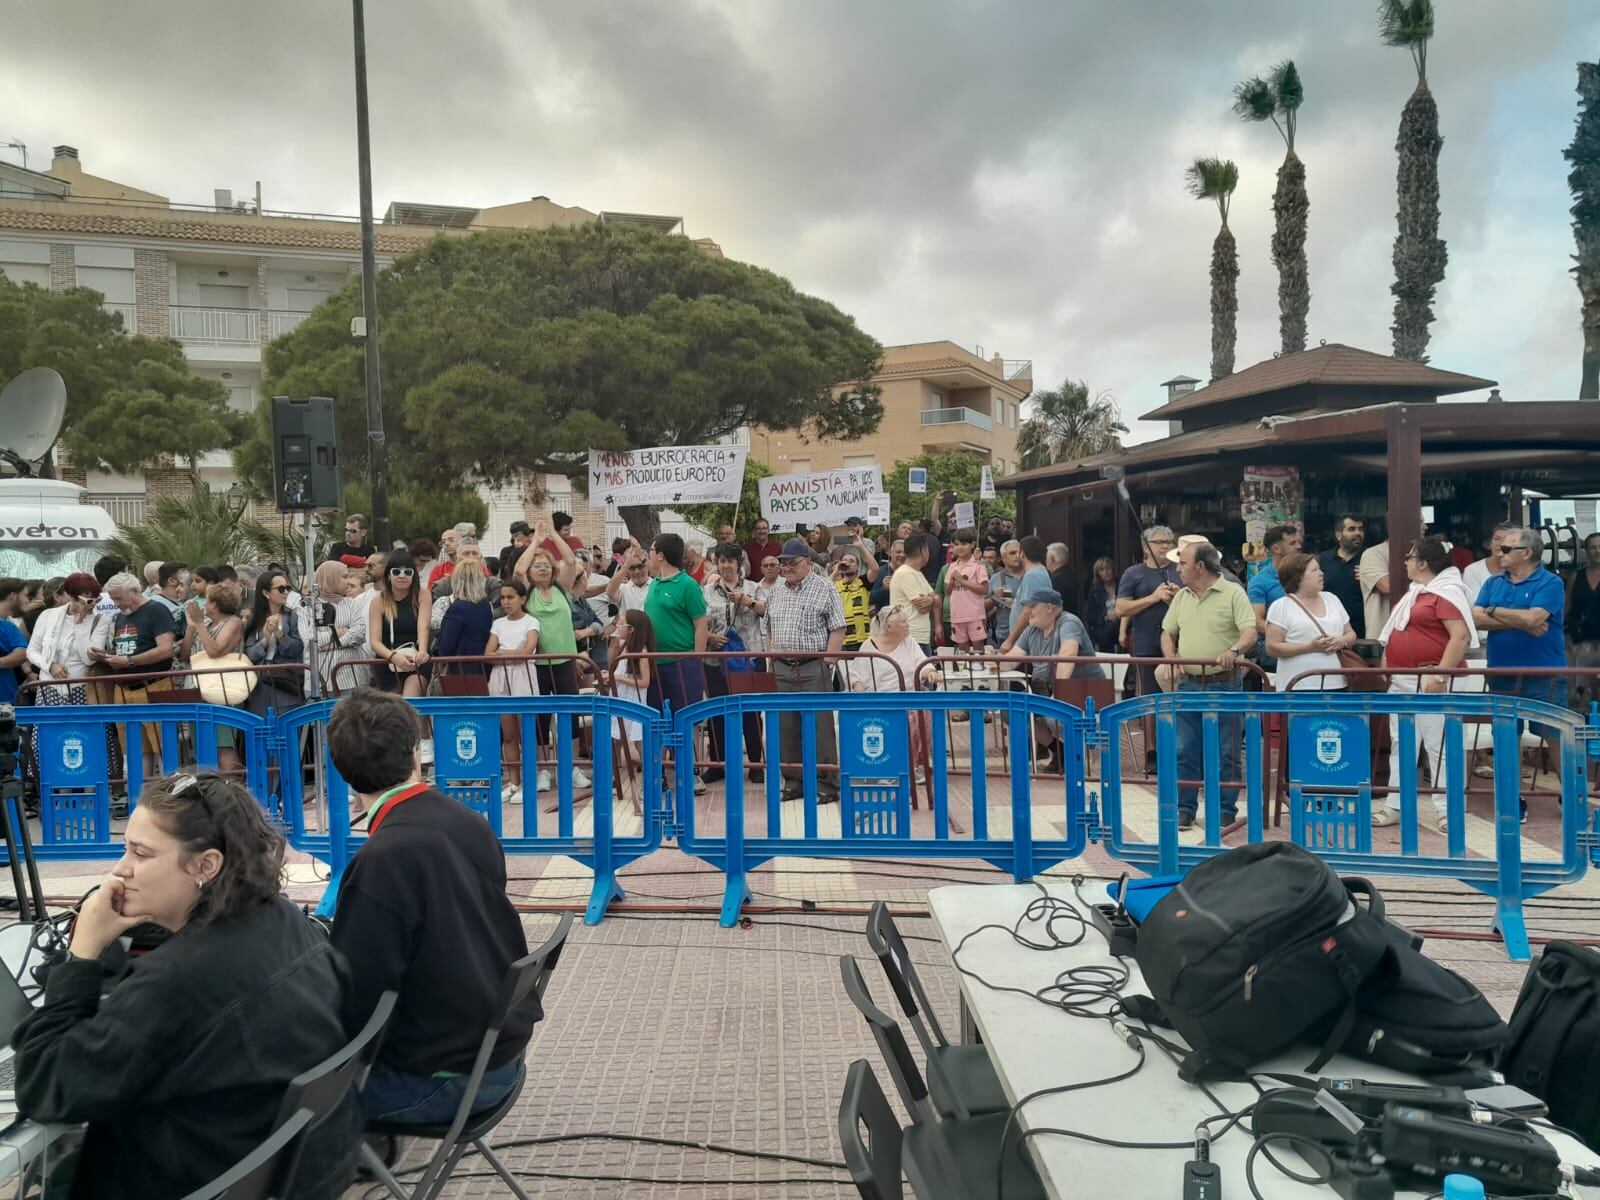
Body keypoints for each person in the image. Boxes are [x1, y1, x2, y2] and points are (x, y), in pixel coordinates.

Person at [14, 772, 357, 1199]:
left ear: (206, 865)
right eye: (126, 849)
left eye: (140, 853)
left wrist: (82, 953)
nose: (121, 870)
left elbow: (45, 1088)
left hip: (193, 1178)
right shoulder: (286, 920)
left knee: (60, 1174)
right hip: (283, 1173)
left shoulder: (176, 981)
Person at [326, 689, 534, 1126]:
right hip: (499, 1052)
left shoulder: (381, 861)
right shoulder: (467, 821)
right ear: (415, 753)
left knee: (274, 1103)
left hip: (447, 1079)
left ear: (344, 774)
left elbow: (356, 1001)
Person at [1377, 536, 1477, 830]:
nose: (1405, 562)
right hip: (1404, 678)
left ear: (1422, 563)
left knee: (1440, 745)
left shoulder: (1445, 593)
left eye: (1409, 556)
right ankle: (1395, 804)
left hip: (1433, 679)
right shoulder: (1418, 592)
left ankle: (1448, 809)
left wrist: (1441, 674)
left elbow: (1460, 636)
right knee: (1402, 744)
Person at [1160, 540, 1258, 831]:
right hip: (1189, 682)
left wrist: (1234, 650)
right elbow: (1167, 632)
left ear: (1200, 566)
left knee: (1227, 750)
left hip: (1224, 682)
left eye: (1182, 564)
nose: (1177, 569)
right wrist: (1172, 659)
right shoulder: (1182, 597)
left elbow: (1250, 632)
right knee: (1185, 749)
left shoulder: (1232, 592)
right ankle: (1184, 809)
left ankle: (1225, 809)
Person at [1473, 525, 1568, 807]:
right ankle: (1512, 799)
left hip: (1544, 674)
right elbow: (1476, 618)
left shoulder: (1550, 583)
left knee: (1555, 737)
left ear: (1526, 553)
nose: (1498, 552)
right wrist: (1516, 618)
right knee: (1505, 738)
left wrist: (1494, 611)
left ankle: (1572, 795)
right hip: (1502, 674)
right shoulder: (1493, 582)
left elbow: (1534, 619)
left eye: (1505, 548)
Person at [766, 538, 846, 803]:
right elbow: (767, 627)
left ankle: (827, 783)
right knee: (785, 726)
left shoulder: (825, 588)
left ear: (808, 563)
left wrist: (828, 662)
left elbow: (838, 627)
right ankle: (793, 782)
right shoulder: (776, 588)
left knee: (820, 726)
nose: (786, 567)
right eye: (783, 563)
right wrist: (771, 658)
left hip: (813, 665)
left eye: (793, 563)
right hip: (782, 666)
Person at [512, 538, 588, 793]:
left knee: (571, 715)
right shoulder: (527, 592)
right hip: (538, 663)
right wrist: (535, 541)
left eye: (546, 565)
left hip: (565, 662)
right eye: (538, 566)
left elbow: (569, 560)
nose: (543, 569)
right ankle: (543, 770)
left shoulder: (562, 588)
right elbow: (518, 570)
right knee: (541, 719)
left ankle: (570, 767)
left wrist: (553, 534)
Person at [1000, 590, 1104, 772]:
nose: (1028, 611)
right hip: (1045, 690)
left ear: (1049, 608)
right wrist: (989, 662)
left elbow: (1068, 654)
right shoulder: (1032, 629)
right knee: (1010, 710)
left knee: (1052, 713)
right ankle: (1060, 750)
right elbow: (1011, 660)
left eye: (1033, 606)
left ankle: (1073, 759)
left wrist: (1059, 692)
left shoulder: (1068, 622)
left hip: (1086, 690)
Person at [91, 572, 177, 778]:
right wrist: (106, 656)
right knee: (135, 750)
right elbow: (126, 650)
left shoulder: (156, 610)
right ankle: (138, 800)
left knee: (164, 747)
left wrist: (129, 661)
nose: (116, 603)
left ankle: (171, 799)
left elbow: (166, 649)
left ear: (134, 591)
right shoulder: (121, 617)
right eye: (112, 598)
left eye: (118, 598)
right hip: (125, 689)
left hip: (154, 686)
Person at [643, 532, 708, 791]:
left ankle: (690, 772)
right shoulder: (654, 583)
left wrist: (697, 659)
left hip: (683, 663)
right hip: (655, 664)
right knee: (656, 720)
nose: (648, 555)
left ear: (660, 554)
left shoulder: (688, 585)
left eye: (651, 550)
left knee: (686, 718)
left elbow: (700, 624)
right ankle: (657, 775)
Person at [845, 606, 940, 782]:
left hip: (908, 697)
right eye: (903, 622)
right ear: (889, 627)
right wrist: (861, 694)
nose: (908, 625)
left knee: (921, 714)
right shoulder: (868, 646)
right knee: (892, 719)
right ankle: (890, 768)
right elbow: (857, 676)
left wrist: (930, 673)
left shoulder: (908, 641)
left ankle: (912, 766)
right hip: (880, 700)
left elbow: (922, 664)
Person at [704, 545, 767, 783]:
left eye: (731, 561)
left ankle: (755, 764)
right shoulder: (707, 591)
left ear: (739, 564)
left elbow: (767, 612)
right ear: (717, 563)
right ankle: (718, 764)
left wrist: (748, 601)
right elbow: (699, 621)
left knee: (750, 714)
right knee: (716, 714)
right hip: (715, 660)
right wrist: (710, 638)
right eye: (722, 561)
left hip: (748, 660)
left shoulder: (754, 587)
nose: (726, 565)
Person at [1265, 553, 1356, 691]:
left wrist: (1342, 641)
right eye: (1314, 570)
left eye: (1319, 569)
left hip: (1337, 683)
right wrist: (1309, 647)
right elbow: (1272, 648)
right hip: (1297, 686)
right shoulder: (1281, 606)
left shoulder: (1332, 599)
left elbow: (1351, 634)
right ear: (1298, 577)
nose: (1321, 573)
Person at [486, 579, 539, 803]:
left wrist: (502, 653)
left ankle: (530, 781)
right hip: (500, 678)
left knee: (526, 731)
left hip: (524, 676)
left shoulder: (531, 621)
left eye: (511, 597)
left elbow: (528, 650)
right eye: (503, 598)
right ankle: (514, 782)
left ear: (522, 599)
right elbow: (488, 653)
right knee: (508, 734)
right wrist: (511, 652)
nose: (506, 602)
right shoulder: (498, 623)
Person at [187, 582, 247, 775]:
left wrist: (198, 624)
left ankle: (232, 791)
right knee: (203, 746)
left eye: (207, 600)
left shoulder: (233, 623)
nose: (204, 604)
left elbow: (215, 651)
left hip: (223, 691)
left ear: (215, 604)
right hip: (199, 691)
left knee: (224, 746)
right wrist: (191, 628)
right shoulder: (204, 625)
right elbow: (184, 653)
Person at [368, 547, 433, 708]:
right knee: (393, 711)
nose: (402, 576)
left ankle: (422, 734)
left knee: (412, 702)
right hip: (387, 660)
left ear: (414, 575)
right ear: (389, 575)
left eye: (408, 572)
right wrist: (393, 657)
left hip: (415, 658)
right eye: (396, 572)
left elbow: (423, 625)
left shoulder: (422, 595)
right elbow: (374, 641)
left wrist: (423, 651)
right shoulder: (378, 601)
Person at [241, 569, 305, 719]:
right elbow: (249, 654)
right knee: (260, 729)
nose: (286, 592)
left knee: (286, 728)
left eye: (288, 588)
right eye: (281, 589)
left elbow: (297, 648)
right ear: (266, 593)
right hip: (260, 683)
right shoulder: (254, 619)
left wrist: (278, 633)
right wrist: (265, 638)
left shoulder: (293, 616)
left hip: (286, 682)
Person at [302, 561, 370, 696]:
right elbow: (309, 639)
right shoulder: (307, 607)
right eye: (344, 577)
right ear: (330, 579)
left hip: (352, 680)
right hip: (318, 684)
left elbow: (359, 633)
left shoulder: (352, 604)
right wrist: (339, 632)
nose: (348, 582)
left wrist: (334, 644)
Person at [607, 610, 656, 790]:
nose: (618, 627)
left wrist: (620, 679)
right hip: (620, 698)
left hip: (635, 700)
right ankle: (614, 779)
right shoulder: (623, 646)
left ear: (632, 629)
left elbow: (644, 681)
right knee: (614, 739)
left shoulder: (641, 651)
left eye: (621, 624)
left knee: (639, 741)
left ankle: (650, 781)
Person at [436, 547, 494, 679]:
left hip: (461, 669)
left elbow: (447, 645)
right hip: (482, 666)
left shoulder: (458, 608)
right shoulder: (485, 605)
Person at [996, 536, 1054, 654]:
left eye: (1018, 551)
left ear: (1022, 554)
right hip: (1028, 639)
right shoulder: (1038, 571)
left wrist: (1010, 640)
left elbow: (1028, 610)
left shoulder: (1033, 575)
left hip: (1028, 640)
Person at [1247, 522, 1303, 637]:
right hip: (1278, 645)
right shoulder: (1260, 581)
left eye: (1299, 542)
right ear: (1276, 548)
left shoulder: (1308, 574)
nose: (1299, 546)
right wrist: (1291, 636)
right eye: (1293, 543)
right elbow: (1257, 622)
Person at [1316, 515, 1367, 639]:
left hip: (1363, 632)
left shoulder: (1369, 559)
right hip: (1329, 631)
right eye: (1351, 529)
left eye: (1360, 529)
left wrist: (1369, 579)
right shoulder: (1323, 560)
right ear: (1338, 535)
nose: (1358, 533)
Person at [942, 529, 990, 655]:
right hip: (957, 615)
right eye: (956, 544)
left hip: (974, 615)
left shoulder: (978, 565)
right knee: (962, 651)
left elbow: (984, 589)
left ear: (972, 544)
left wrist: (961, 581)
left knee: (978, 650)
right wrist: (952, 582)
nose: (960, 547)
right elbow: (947, 591)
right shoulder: (952, 566)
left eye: (964, 544)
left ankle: (979, 673)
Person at [891, 534, 941, 653]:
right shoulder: (905, 573)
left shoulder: (917, 573)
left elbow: (936, 597)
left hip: (920, 638)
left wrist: (932, 600)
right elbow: (923, 608)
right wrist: (933, 600)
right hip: (911, 637)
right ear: (923, 551)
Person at [831, 546, 873, 653]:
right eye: (845, 561)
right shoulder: (835, 586)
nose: (847, 563)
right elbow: (821, 588)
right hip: (842, 640)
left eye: (851, 561)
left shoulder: (862, 582)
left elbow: (875, 568)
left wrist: (860, 546)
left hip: (862, 639)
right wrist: (836, 571)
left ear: (858, 567)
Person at [988, 541, 1027, 649]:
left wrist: (1012, 600)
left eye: (1019, 552)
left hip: (1030, 634)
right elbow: (982, 606)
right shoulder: (996, 578)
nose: (1017, 556)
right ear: (1003, 558)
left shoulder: (1031, 575)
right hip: (1004, 635)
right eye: (1012, 553)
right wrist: (995, 598)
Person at [1464, 523, 1515, 603]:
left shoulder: (1522, 569)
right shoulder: (1473, 570)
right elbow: (1475, 607)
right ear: (1490, 544)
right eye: (1496, 539)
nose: (1500, 544)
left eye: (1505, 539)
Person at [1569, 531, 1600, 648]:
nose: (1597, 551)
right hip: (1580, 640)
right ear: (1586, 551)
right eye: (1593, 548)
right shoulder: (1575, 576)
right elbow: (1567, 606)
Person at [1358, 537, 1393, 641]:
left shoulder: (1420, 554)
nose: (1425, 527)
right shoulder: (1373, 554)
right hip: (1382, 638)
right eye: (1421, 521)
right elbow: (1387, 586)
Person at [0, 580, 29, 704]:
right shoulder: (5, 625)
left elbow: (22, 652)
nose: (27, 600)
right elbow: (22, 652)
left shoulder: (7, 625)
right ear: (13, 596)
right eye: (25, 595)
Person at [606, 542, 652, 618]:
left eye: (640, 566)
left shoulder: (656, 586)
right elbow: (609, 591)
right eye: (632, 568)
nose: (637, 571)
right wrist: (626, 565)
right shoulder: (623, 588)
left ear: (646, 566)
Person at [1084, 556, 1120, 652]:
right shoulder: (1095, 590)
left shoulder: (1121, 585)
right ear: (1097, 573)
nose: (1106, 572)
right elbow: (1090, 616)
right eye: (1102, 570)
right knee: (1105, 633)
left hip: (1121, 622)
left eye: (1108, 568)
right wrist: (1105, 617)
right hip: (1103, 626)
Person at [869, 539, 905, 612]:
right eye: (898, 552)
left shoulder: (909, 572)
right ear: (891, 553)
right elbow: (869, 598)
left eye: (905, 552)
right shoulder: (881, 571)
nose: (902, 555)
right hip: (886, 618)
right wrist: (884, 589)